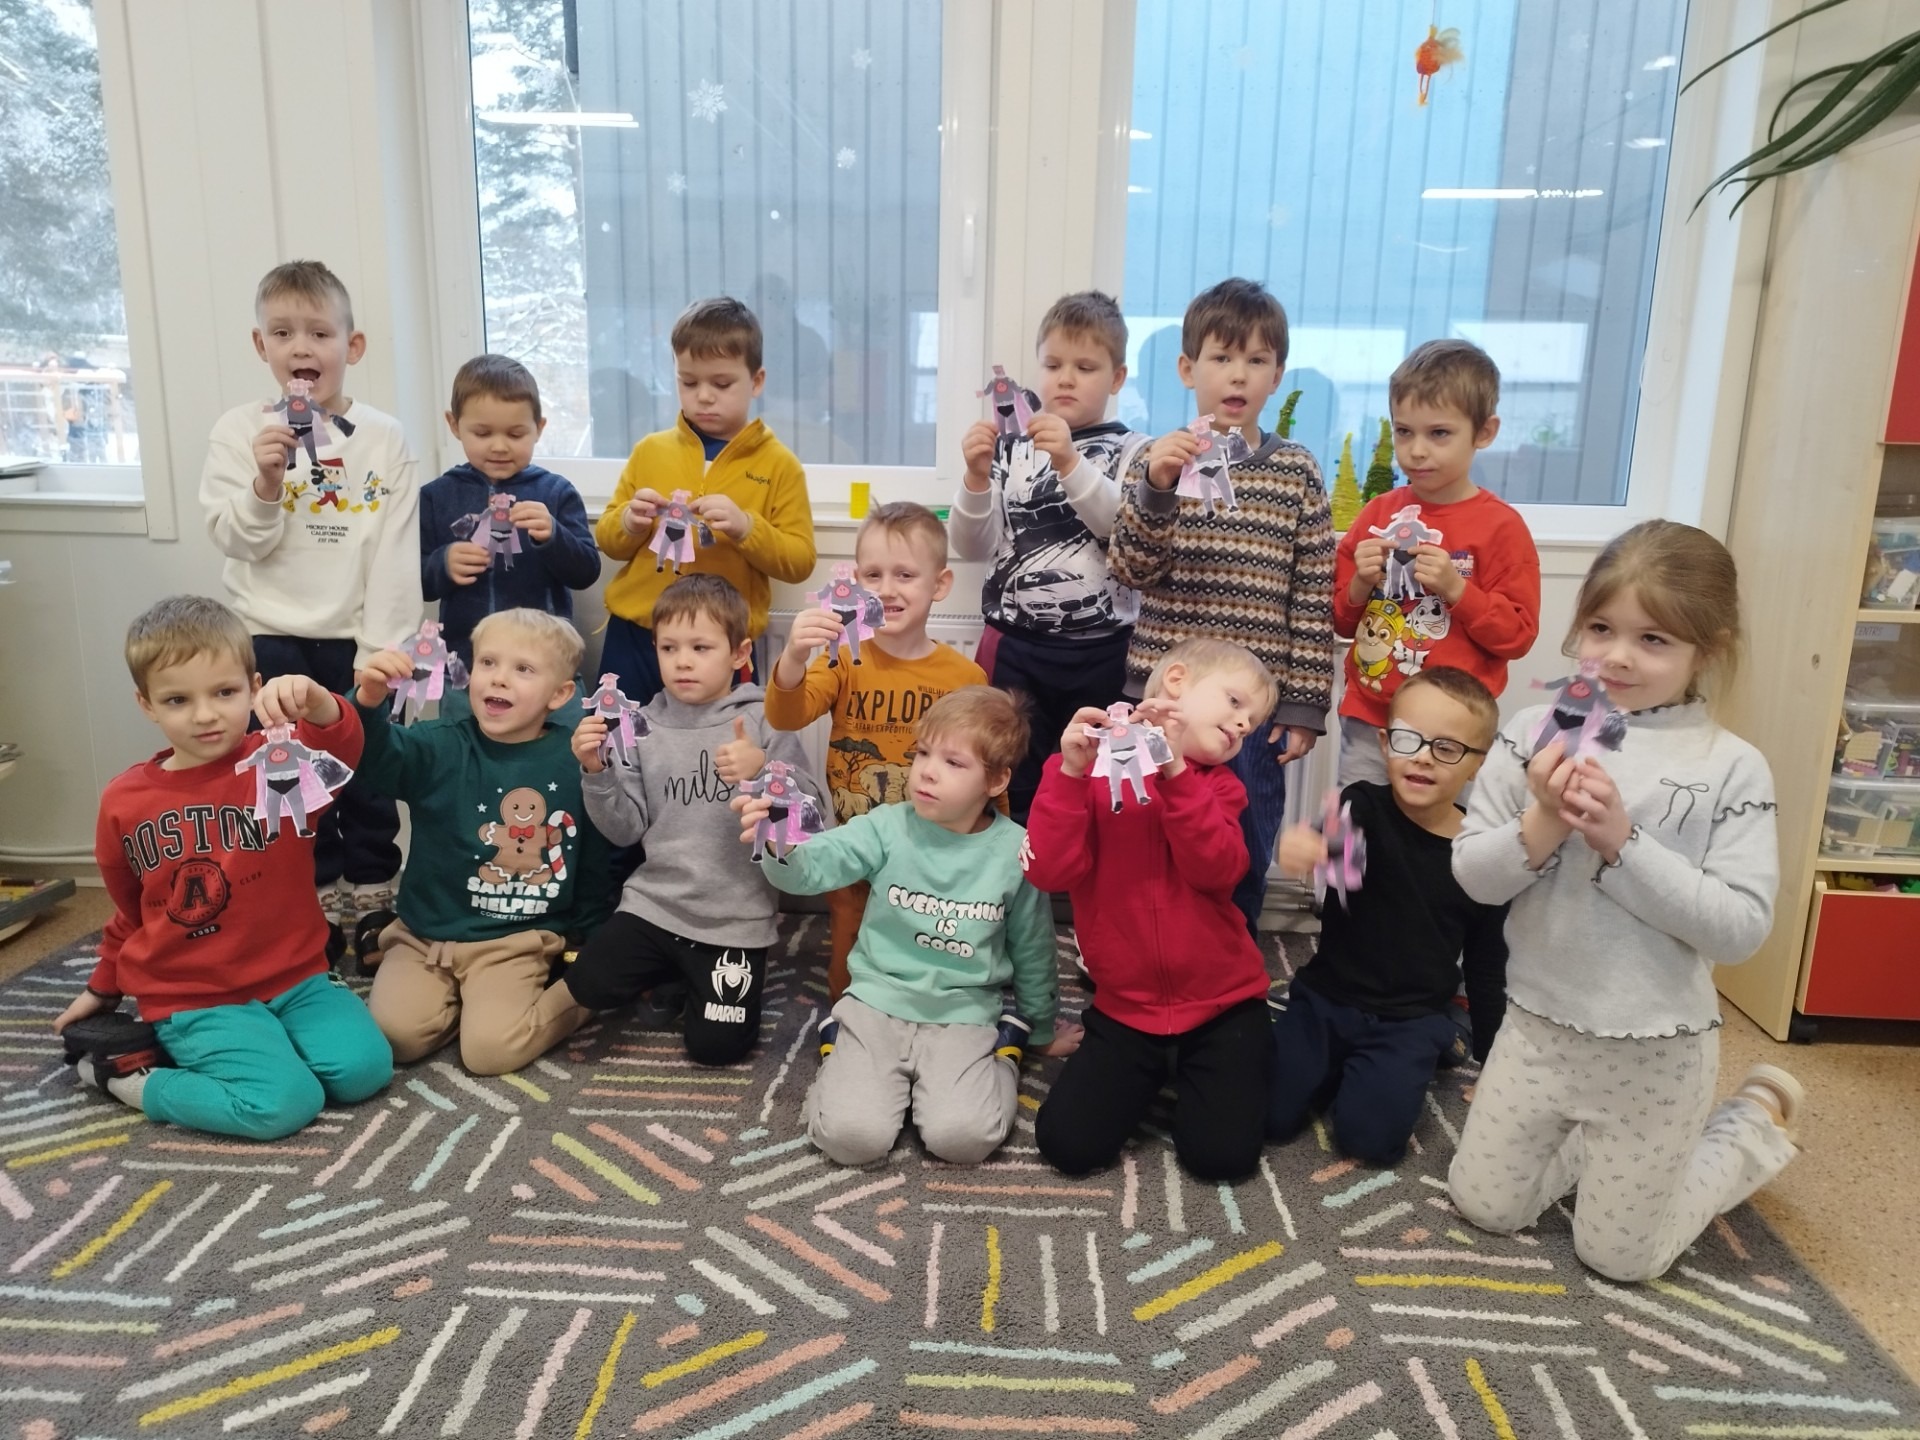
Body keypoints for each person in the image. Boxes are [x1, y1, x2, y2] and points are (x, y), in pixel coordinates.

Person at [1448, 520, 1802, 1282]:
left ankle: (1747, 1126)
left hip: (1655, 1049)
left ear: (1708, 650)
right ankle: (1594, 1147)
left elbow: (1740, 930)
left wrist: (1622, 842)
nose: (1616, 656)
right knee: (1485, 1206)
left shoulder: (1731, 767)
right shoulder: (1533, 733)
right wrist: (1544, 820)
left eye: (1654, 639)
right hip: (1537, 1028)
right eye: (1602, 628)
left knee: (1619, 1258)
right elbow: (1475, 878)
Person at [53, 596, 391, 1139]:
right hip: (194, 993)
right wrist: (103, 987)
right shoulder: (124, 802)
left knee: (364, 1071)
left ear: (254, 688)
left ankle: (252, 1042)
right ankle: (125, 1077)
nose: (205, 714)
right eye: (178, 699)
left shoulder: (280, 763)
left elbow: (343, 749)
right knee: (283, 1103)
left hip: (297, 977)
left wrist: (319, 703)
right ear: (146, 704)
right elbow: (132, 909)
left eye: (225, 693)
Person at [738, 687, 1066, 1166]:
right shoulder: (886, 825)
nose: (927, 771)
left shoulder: (1017, 851)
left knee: (963, 1142)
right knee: (850, 1140)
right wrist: (779, 845)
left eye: (953, 762)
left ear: (996, 780)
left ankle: (1005, 1050)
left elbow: (1034, 947)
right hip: (876, 1003)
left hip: (964, 1014)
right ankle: (838, 1045)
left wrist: (1039, 1028)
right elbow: (811, 869)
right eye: (923, 753)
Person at [198, 259, 421, 955]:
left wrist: (384, 651)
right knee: (289, 780)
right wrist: (266, 482)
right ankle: (310, 904)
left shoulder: (384, 437)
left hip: (356, 641)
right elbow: (235, 540)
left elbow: (396, 552)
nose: (302, 347)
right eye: (283, 333)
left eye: (320, 333)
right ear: (260, 345)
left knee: (367, 781)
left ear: (352, 346)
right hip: (268, 637)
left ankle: (375, 896)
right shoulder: (238, 431)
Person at [1109, 278, 1336, 934]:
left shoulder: (1297, 471)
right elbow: (1131, 569)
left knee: (1242, 840)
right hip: (1165, 699)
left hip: (1249, 715)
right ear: (1188, 369)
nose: (1238, 374)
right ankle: (1137, 952)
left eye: (1257, 360)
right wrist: (1157, 487)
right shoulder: (1156, 461)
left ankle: (1230, 956)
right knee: (1146, 841)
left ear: (1276, 376)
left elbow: (1312, 595)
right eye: (1222, 357)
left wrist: (1303, 706)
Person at [1026, 639, 1278, 1181]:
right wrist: (1068, 774)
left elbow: (1218, 871)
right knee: (1066, 1146)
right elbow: (1048, 873)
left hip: (1222, 1004)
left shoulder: (1221, 786)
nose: (1242, 725)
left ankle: (1233, 1055)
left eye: (1252, 724)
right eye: (1235, 703)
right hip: (1128, 1007)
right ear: (1177, 681)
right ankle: (1163, 1073)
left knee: (1222, 1159)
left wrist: (1175, 772)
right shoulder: (1088, 771)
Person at [546, 575, 820, 1065]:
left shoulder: (766, 718)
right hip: (654, 906)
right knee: (587, 984)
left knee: (717, 1049)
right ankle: (672, 974)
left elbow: (816, 817)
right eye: (669, 648)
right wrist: (595, 771)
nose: (683, 661)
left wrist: (764, 770)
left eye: (700, 647)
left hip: (734, 921)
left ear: (739, 654)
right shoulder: (640, 726)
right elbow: (624, 830)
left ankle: (686, 981)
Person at [350, 609, 612, 1074]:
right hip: (423, 936)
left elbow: (593, 852)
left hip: (513, 940)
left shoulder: (573, 758)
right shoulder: (437, 743)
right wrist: (368, 702)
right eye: (488, 663)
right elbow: (372, 758)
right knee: (396, 1037)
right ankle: (462, 1005)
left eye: (523, 669)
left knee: (489, 1052)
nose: (499, 678)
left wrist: (587, 942)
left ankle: (584, 995)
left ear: (560, 695)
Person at [1267, 667, 1510, 1166]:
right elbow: (1333, 842)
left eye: (1447, 747)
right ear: (1384, 744)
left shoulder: (1484, 857)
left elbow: (1488, 967)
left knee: (1371, 1144)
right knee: (1267, 1116)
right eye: (1407, 739)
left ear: (1478, 765)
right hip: (1326, 997)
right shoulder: (1361, 804)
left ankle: (1449, 1031)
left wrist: (1495, 1062)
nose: (1422, 756)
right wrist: (1306, 845)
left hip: (1410, 1017)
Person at [765, 501, 988, 1003]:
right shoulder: (842, 659)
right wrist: (794, 656)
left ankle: (920, 1009)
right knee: (850, 940)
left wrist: (989, 844)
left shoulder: (966, 677)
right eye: (873, 575)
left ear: (940, 585)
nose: (887, 589)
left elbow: (985, 768)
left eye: (905, 574)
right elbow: (786, 716)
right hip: (855, 847)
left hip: (934, 851)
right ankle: (847, 1016)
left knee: (925, 939)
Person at [950, 291, 1151, 820]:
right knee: (1008, 778)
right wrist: (974, 477)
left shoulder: (1135, 450)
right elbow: (970, 547)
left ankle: (1085, 873)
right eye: (1053, 364)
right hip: (1015, 646)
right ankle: (1014, 870)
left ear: (1117, 378)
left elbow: (1121, 529)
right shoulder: (1010, 446)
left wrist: (1068, 460)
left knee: (1100, 783)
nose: (1066, 379)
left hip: (1105, 651)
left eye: (1085, 367)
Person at [1333, 339, 1540, 786]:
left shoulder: (1502, 528)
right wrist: (1360, 585)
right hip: (1372, 720)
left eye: (1439, 433)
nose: (1417, 450)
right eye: (1404, 432)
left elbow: (1518, 636)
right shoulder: (1376, 515)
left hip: (1454, 733)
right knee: (1356, 822)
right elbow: (1340, 621)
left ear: (1484, 432)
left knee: (1446, 831)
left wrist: (1458, 591)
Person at [592, 296, 817, 704]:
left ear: (757, 381)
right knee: (616, 736)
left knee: (724, 742)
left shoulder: (780, 464)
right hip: (636, 634)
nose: (705, 397)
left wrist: (747, 528)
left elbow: (800, 560)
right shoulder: (650, 450)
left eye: (722, 384)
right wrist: (628, 522)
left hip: (723, 645)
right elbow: (608, 540)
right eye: (689, 383)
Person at [418, 355, 600, 671]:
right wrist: (442, 564)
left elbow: (586, 572)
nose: (499, 446)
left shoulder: (557, 493)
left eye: (515, 435)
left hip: (543, 662)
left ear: (539, 428)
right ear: (454, 425)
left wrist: (554, 536)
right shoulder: (436, 496)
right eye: (483, 433)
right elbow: (413, 581)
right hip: (465, 663)